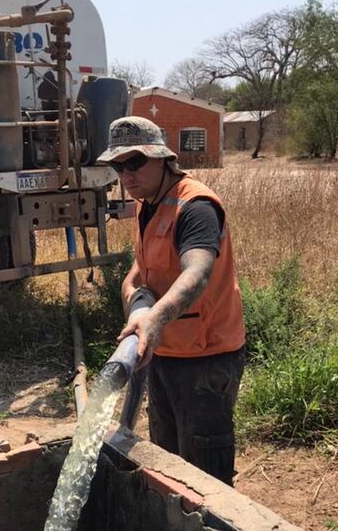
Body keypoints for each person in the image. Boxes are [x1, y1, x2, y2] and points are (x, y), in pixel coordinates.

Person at [97, 116, 246, 485]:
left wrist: (154, 318)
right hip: (164, 353)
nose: (126, 175)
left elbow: (197, 273)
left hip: (205, 361)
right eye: (119, 166)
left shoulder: (194, 207)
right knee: (166, 460)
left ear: (163, 158)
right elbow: (144, 264)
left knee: (205, 478)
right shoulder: (149, 202)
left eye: (135, 162)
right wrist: (132, 291)